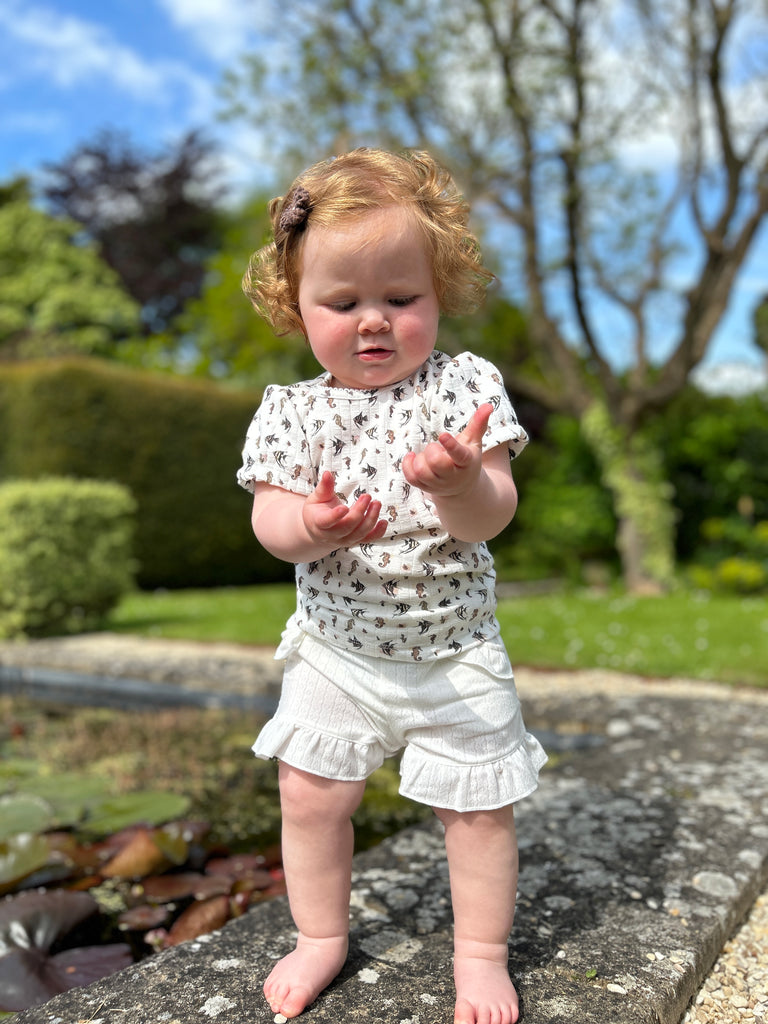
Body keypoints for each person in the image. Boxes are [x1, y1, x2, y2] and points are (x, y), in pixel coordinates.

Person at [237, 147, 546, 1024]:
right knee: (309, 792)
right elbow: (269, 523)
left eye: (401, 300)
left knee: (480, 811)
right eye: (343, 303)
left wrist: (458, 485)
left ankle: (481, 954)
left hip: (456, 652)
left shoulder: (464, 390)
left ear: (439, 294)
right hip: (338, 653)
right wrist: (311, 526)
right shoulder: (291, 411)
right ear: (296, 310)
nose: (374, 322)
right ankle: (320, 937)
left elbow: (493, 516)